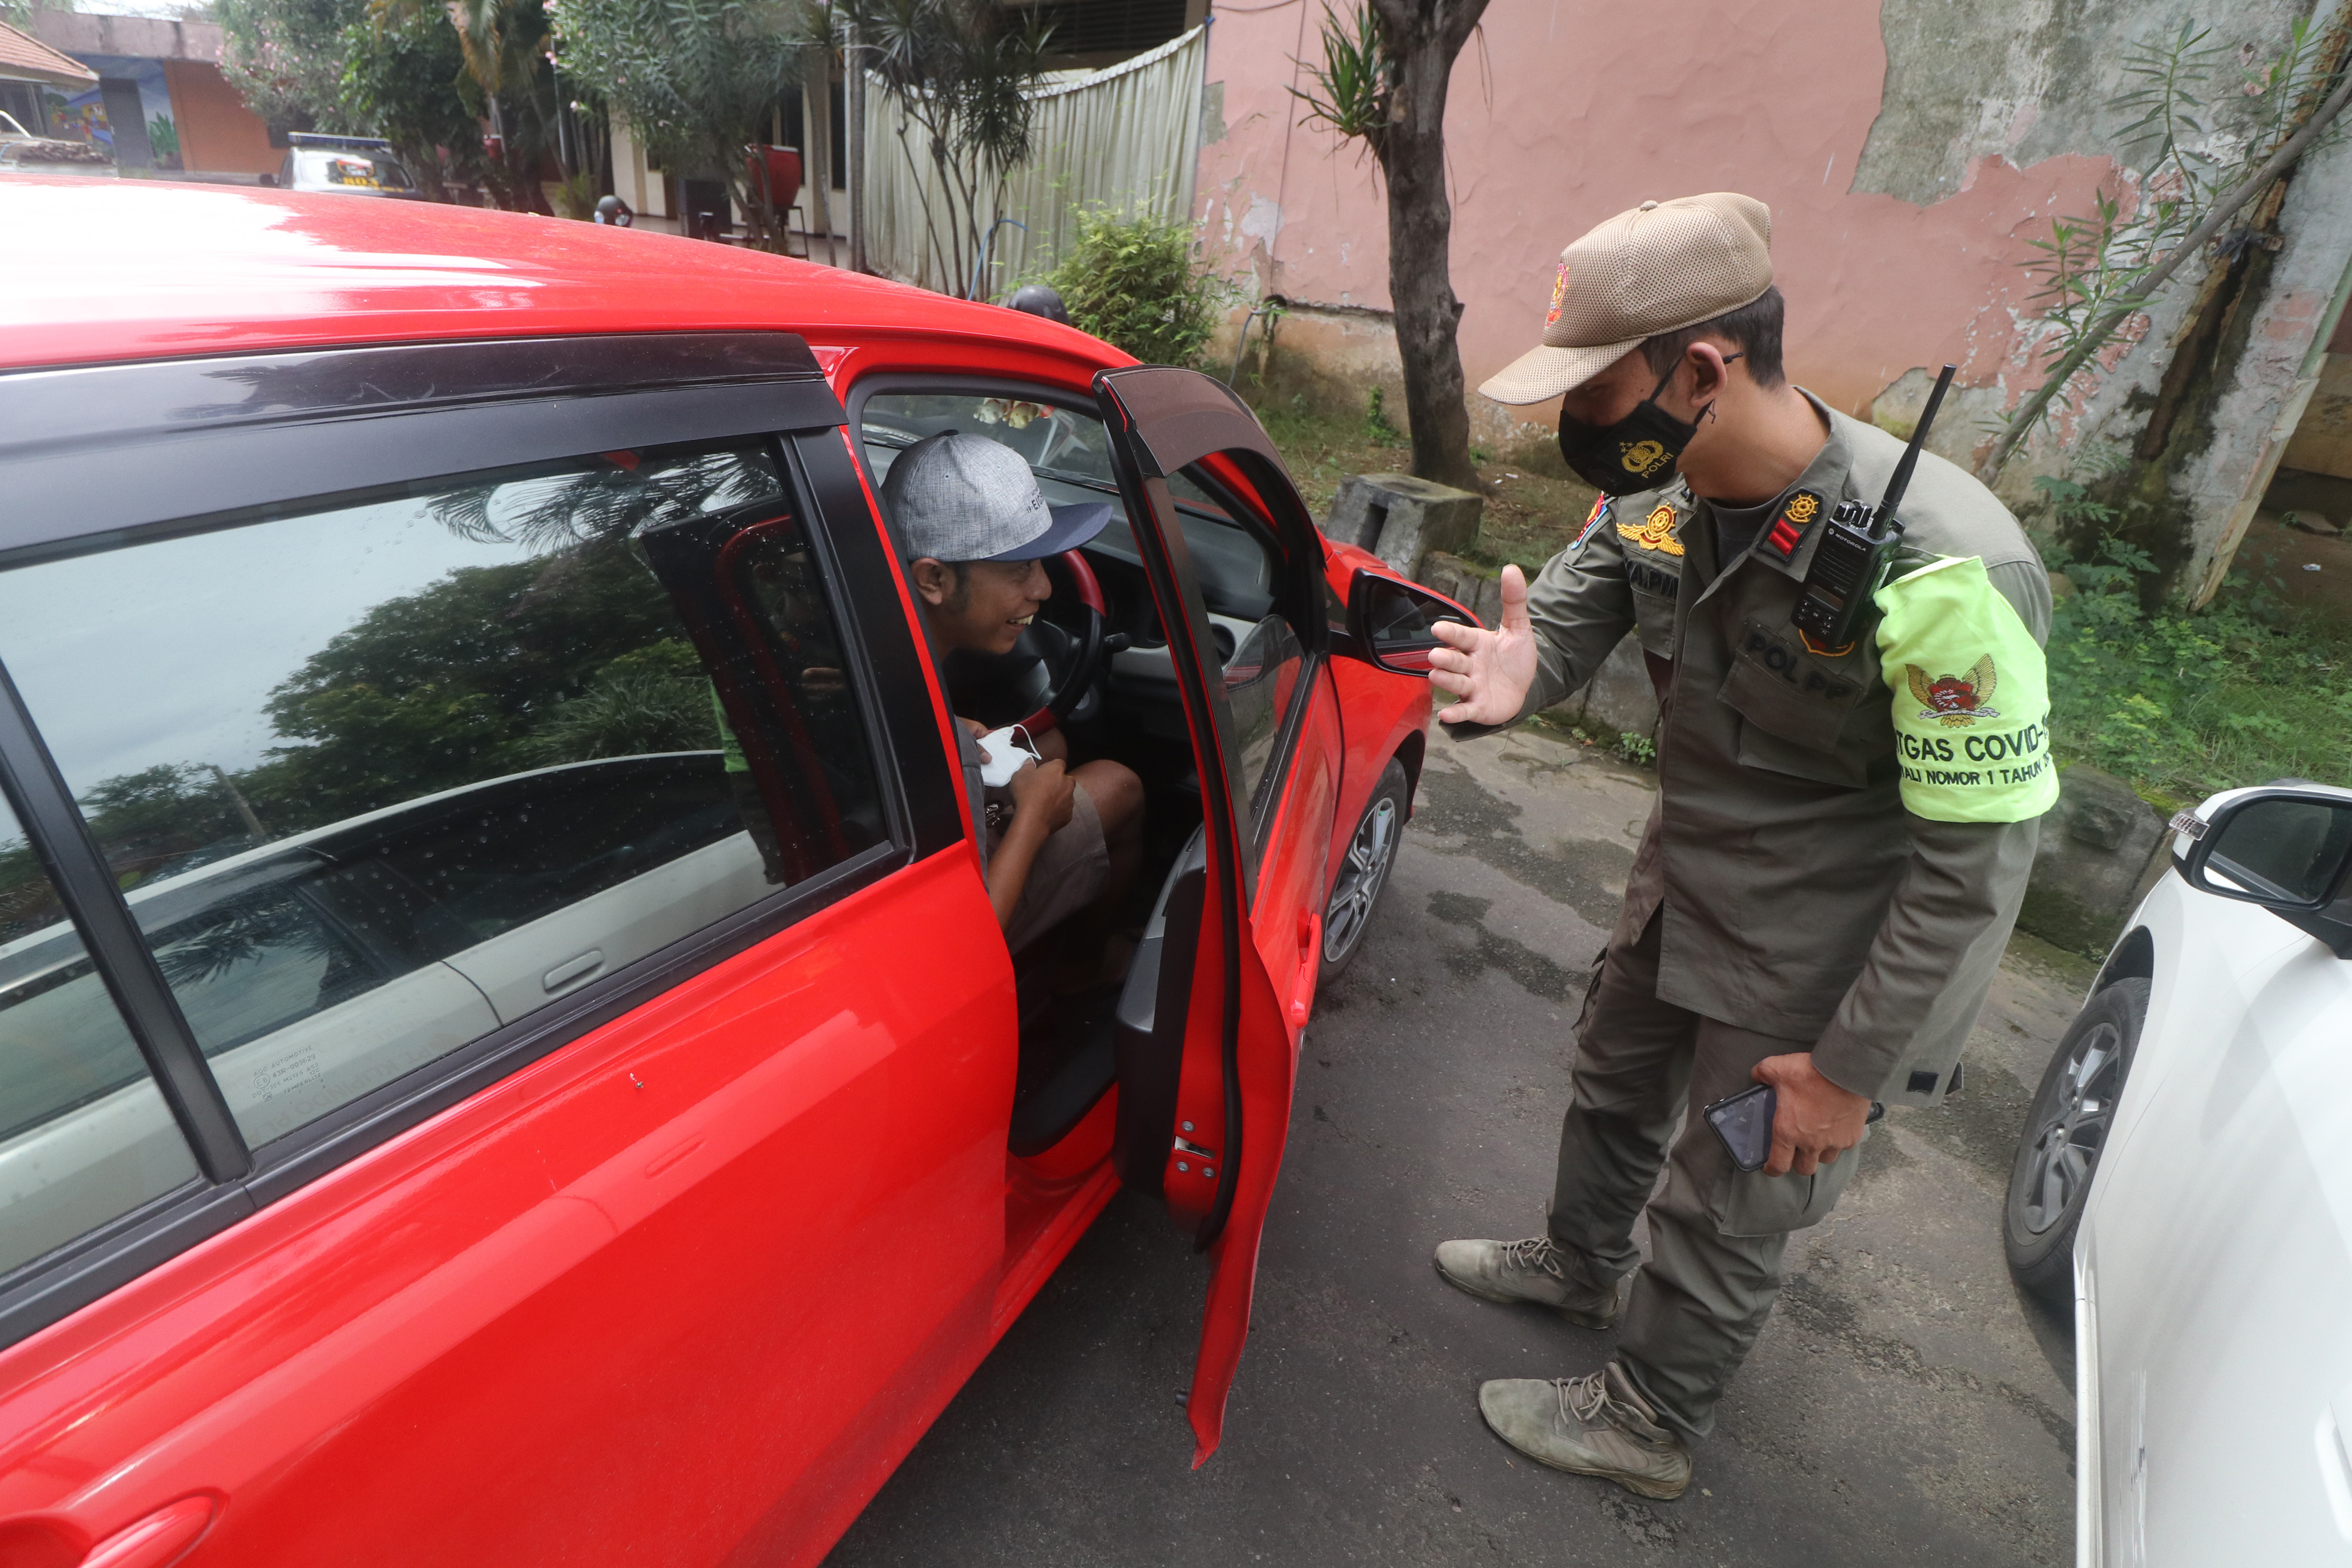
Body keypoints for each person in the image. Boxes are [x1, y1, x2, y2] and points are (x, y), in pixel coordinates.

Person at [1426, 193, 2057, 1500]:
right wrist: (1514, 670)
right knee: (1610, 1079)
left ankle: (1646, 1415)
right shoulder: (1660, 496)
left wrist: (1849, 1068)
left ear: (1699, 370)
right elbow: (1557, 625)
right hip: (1684, 879)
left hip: (1818, 947)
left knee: (1730, 1189)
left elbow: (1974, 862)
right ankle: (1577, 1262)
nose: (1578, 429)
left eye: (1594, 393)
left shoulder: (1943, 567)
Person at [886, 430, 1144, 963]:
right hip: (938, 929)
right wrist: (1033, 820)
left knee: (1048, 744)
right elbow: (963, 949)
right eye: (1018, 568)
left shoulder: (879, 649)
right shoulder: (921, 721)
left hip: (907, 830)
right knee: (1123, 785)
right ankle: (1085, 969)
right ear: (933, 578)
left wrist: (951, 721)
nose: (1044, 589)